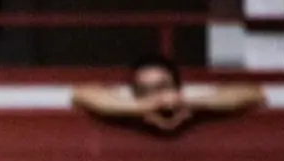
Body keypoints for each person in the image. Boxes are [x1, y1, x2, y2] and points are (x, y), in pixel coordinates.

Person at [71, 54, 265, 135]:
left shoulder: (186, 95)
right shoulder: (128, 97)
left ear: (177, 87)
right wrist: (147, 106)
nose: (157, 94)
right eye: (146, 90)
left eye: (163, 87)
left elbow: (253, 93)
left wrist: (187, 102)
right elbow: (81, 94)